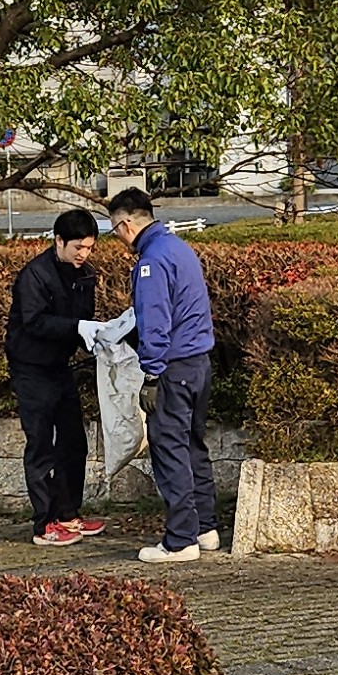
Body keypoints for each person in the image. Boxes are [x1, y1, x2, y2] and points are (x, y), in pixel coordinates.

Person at [107, 188, 217, 562]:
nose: (119, 239)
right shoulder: (180, 248)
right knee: (193, 446)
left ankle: (180, 540)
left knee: (170, 450)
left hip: (173, 367)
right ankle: (206, 528)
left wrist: (151, 375)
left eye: (115, 230)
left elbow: (155, 322)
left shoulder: (151, 262)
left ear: (125, 224)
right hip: (199, 362)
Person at [6, 208, 109, 546]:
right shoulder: (35, 275)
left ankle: (68, 514)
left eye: (89, 248)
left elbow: (83, 321)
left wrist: (101, 337)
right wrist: (77, 327)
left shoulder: (85, 275)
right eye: (77, 247)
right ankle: (44, 523)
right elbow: (34, 322)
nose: (83, 254)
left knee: (73, 441)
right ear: (59, 240)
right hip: (31, 368)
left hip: (60, 367)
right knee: (40, 444)